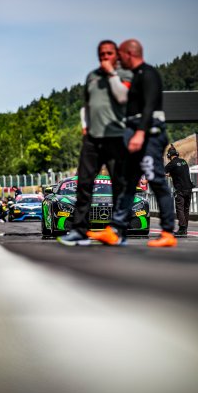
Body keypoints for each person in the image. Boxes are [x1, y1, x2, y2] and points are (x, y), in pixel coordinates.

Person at [87, 39, 177, 247]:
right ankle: (116, 229)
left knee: (156, 180)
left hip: (148, 136)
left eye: (120, 55)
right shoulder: (136, 77)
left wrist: (139, 133)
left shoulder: (148, 74)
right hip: (137, 134)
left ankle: (167, 232)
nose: (118, 60)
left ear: (129, 54)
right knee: (128, 184)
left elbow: (149, 107)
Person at [57, 40, 133, 245]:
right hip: (93, 138)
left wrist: (111, 74)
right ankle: (80, 231)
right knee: (83, 183)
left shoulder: (125, 75)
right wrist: (85, 125)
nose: (105, 57)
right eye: (101, 54)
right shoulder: (92, 76)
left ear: (116, 55)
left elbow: (123, 97)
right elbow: (86, 105)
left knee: (118, 184)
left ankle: (118, 231)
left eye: (109, 53)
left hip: (115, 136)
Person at [165, 144, 194, 236]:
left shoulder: (171, 164)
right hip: (189, 188)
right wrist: (171, 175)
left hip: (180, 189)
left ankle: (182, 229)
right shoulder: (184, 162)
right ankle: (185, 229)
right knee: (186, 209)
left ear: (169, 156)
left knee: (180, 209)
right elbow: (180, 173)